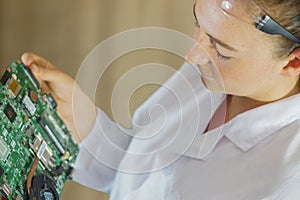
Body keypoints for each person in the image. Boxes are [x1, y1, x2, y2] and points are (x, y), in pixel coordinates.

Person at [21, 0, 300, 199]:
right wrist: (82, 121)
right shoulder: (206, 72)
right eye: (198, 25)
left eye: (222, 50)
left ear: (293, 62)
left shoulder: (288, 179)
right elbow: (137, 172)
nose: (192, 55)